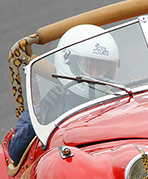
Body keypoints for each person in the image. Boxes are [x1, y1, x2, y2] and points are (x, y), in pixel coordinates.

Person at [8, 24, 120, 164]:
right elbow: (15, 153)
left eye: (101, 68)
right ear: (69, 63)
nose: (95, 75)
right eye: (88, 67)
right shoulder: (47, 107)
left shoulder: (119, 98)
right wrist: (43, 116)